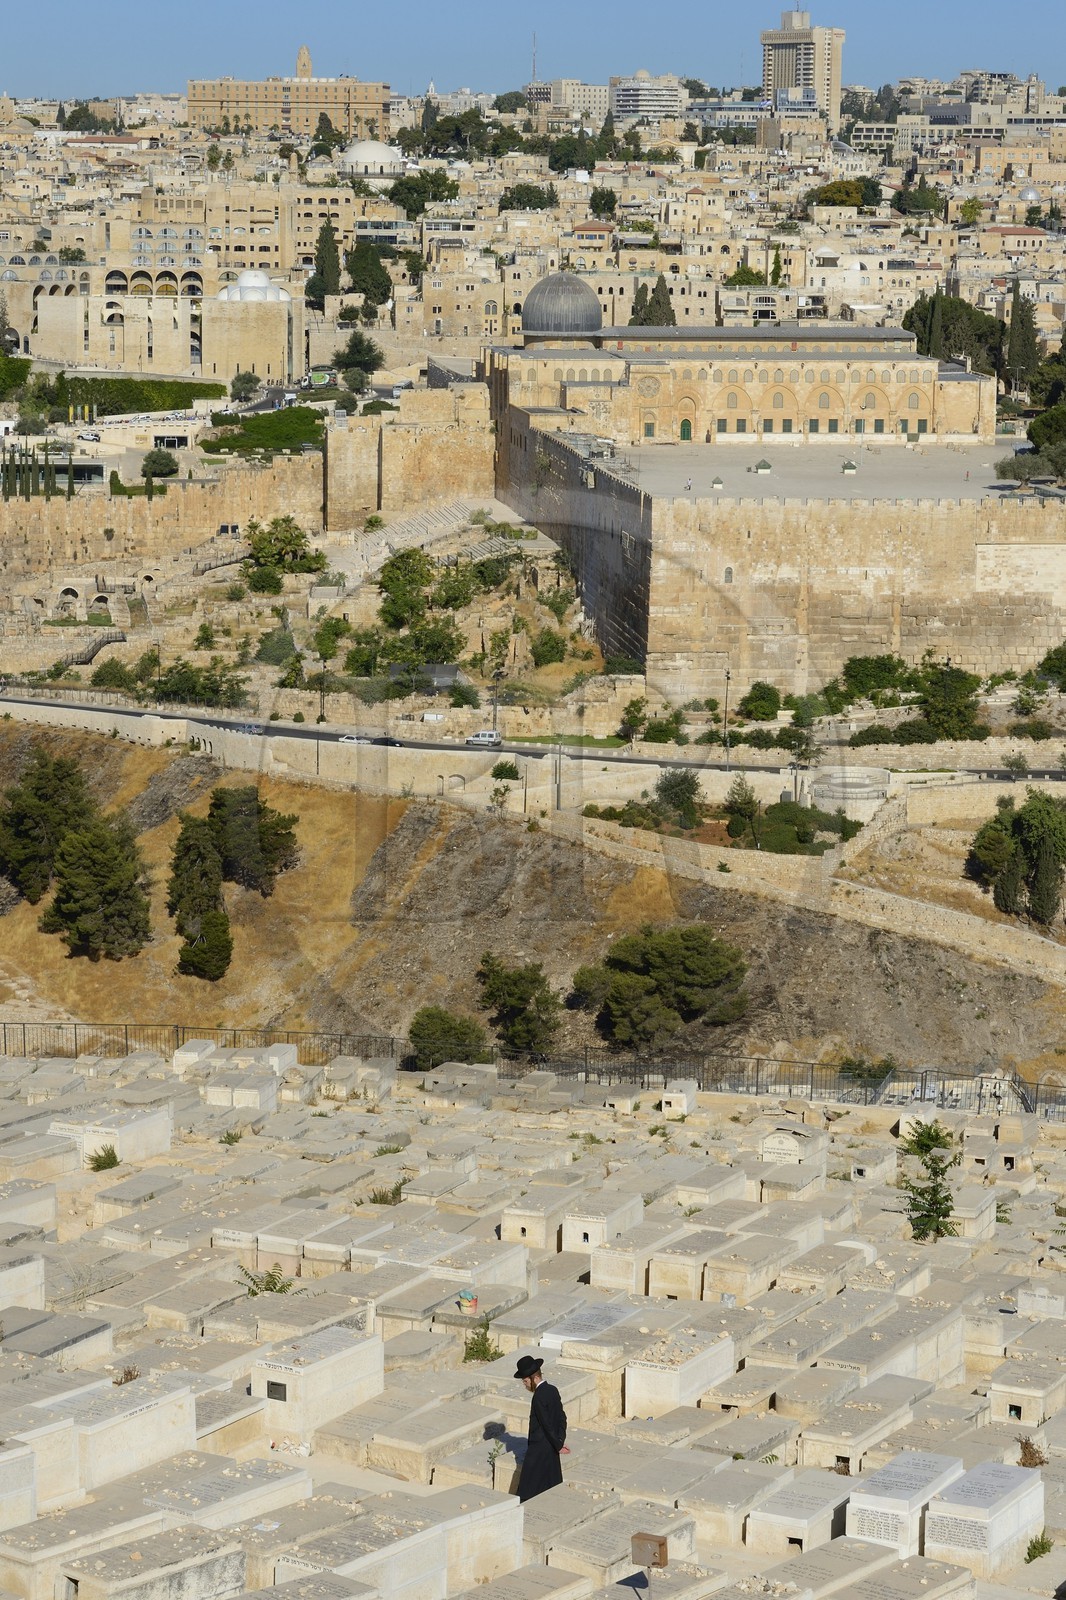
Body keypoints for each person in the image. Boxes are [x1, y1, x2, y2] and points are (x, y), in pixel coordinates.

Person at [515, 1354, 567, 1501]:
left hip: (539, 1447)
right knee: (550, 1483)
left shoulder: (538, 1397)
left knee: (527, 1488)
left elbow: (546, 1424)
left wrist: (558, 1445)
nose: (524, 1384)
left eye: (525, 1381)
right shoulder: (553, 1389)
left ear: (534, 1378)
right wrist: (560, 1440)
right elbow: (562, 1418)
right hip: (552, 1445)